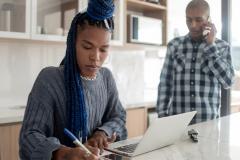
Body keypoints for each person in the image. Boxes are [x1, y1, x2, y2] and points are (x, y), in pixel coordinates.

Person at [19, 0, 127, 159]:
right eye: (87, 47)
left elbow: (118, 117)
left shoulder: (106, 78)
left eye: (103, 49)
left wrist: (103, 132)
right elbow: (29, 137)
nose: (95, 57)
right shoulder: (50, 79)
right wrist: (64, 153)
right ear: (73, 44)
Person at [156, 0, 235, 124]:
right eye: (189, 20)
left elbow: (228, 82)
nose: (193, 25)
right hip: (177, 126)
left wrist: (210, 45)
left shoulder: (222, 47)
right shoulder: (174, 45)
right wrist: (162, 116)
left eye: (198, 20)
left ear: (209, 19)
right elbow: (165, 84)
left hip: (208, 126)